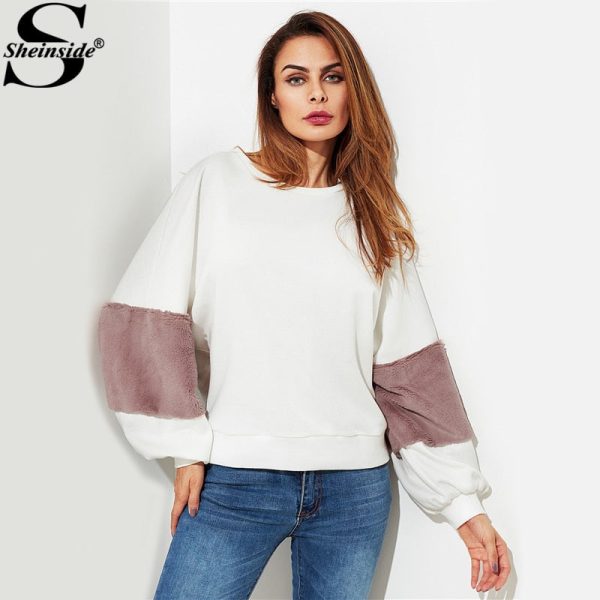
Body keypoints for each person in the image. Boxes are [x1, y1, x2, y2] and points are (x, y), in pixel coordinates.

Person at [97, 10, 511, 599]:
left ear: (351, 90)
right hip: (235, 480)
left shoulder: (372, 215)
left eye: (332, 76)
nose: (316, 93)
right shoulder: (217, 184)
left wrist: (465, 507)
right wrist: (183, 449)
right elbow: (143, 319)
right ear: (273, 95)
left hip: (354, 492)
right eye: (296, 78)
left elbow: (409, 373)